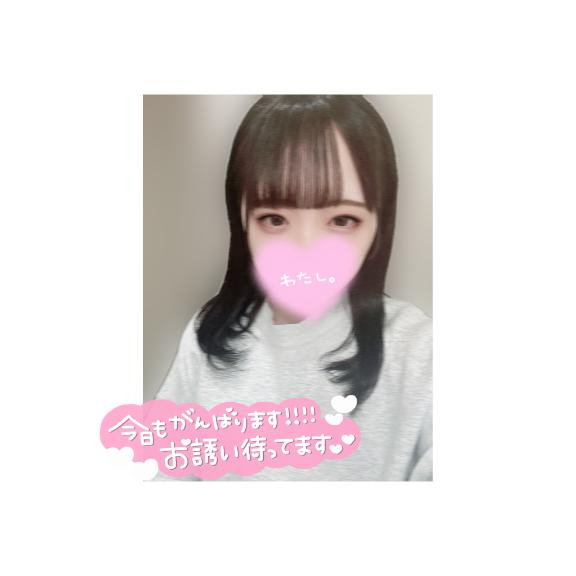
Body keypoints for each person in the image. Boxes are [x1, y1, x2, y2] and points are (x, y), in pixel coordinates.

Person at [152, 95, 432, 481]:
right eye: (274, 219)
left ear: (378, 224)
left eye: (342, 220)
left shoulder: (419, 349)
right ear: (241, 219)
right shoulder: (209, 333)